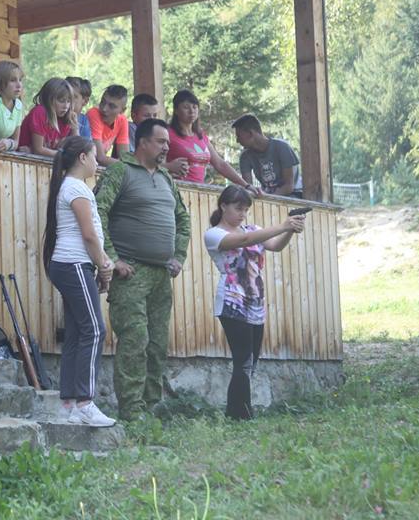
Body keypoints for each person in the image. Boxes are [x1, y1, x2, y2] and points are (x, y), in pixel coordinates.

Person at [95, 118, 190, 421]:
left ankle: (151, 406)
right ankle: (132, 410)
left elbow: (183, 219)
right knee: (135, 341)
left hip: (161, 275)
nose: (167, 147)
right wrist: (111, 259)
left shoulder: (166, 178)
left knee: (157, 344)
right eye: (161, 142)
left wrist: (178, 255)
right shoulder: (120, 171)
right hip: (131, 274)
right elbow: (98, 212)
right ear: (144, 142)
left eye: (168, 143)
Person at [204, 185, 305, 419]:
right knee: (243, 360)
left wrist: (291, 229)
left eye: (246, 210)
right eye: (238, 208)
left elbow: (276, 246)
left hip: (255, 301)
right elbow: (245, 240)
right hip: (232, 301)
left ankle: (237, 411)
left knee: (251, 362)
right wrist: (283, 225)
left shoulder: (253, 228)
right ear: (223, 206)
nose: (242, 214)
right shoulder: (214, 234)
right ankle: (241, 415)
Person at [43, 136, 115, 427]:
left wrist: (98, 264)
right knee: (95, 330)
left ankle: (69, 404)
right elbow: (89, 235)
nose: (98, 162)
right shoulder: (76, 187)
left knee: (76, 332)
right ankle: (85, 402)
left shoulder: (69, 186)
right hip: (74, 264)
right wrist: (104, 265)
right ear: (83, 158)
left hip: (69, 265)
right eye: (95, 156)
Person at [166, 89, 259, 195]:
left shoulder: (201, 135)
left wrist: (246, 185)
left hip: (200, 192)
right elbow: (152, 163)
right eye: (186, 107)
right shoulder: (167, 133)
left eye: (195, 107)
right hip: (177, 191)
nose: (191, 111)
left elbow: (220, 164)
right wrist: (168, 167)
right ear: (176, 110)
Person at [231, 114, 303, 198]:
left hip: (293, 196)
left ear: (250, 134)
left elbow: (289, 186)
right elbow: (247, 187)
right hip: (267, 197)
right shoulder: (245, 156)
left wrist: (267, 197)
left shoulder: (282, 147)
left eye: (239, 136)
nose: (237, 141)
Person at [18, 77, 77, 156]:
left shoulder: (65, 118)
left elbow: (76, 149)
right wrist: (64, 155)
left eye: (69, 101)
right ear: (49, 99)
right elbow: (38, 150)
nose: (66, 106)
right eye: (61, 101)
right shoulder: (39, 112)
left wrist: (75, 128)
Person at [87, 85, 130, 166]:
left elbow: (125, 157)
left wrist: (127, 166)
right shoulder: (94, 113)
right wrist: (128, 167)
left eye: (112, 106)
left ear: (122, 111)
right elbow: (100, 157)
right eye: (102, 102)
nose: (104, 109)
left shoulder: (122, 120)